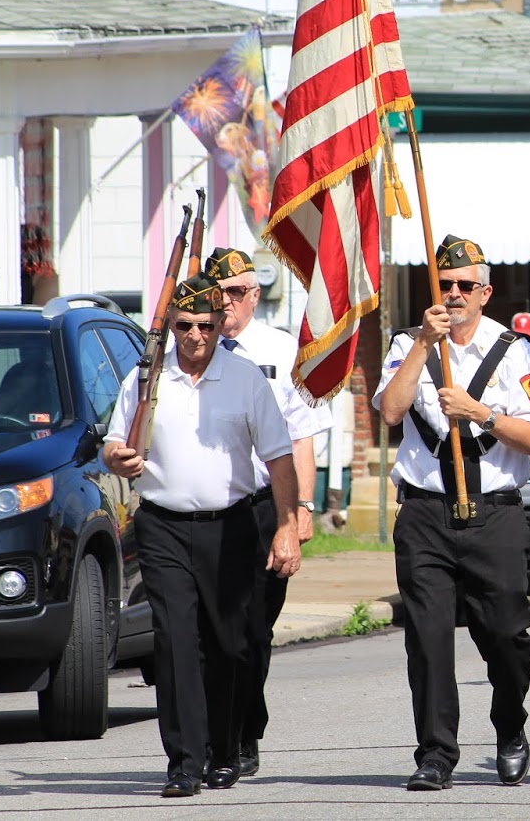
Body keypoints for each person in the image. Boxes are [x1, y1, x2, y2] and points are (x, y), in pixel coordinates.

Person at [101, 272, 300, 797]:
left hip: (230, 526)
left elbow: (279, 457)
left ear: (219, 326)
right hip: (163, 525)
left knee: (229, 644)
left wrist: (286, 527)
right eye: (185, 325)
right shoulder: (146, 378)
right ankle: (184, 762)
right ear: (171, 324)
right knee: (174, 644)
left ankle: (225, 748)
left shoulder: (244, 378)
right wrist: (117, 459)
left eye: (206, 326)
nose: (195, 336)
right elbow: (114, 443)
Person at [372, 235, 530, 790]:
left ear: (485, 292)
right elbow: (391, 410)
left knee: (505, 633)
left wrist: (480, 413)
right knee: (426, 638)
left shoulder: (513, 350)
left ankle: (510, 725)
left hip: (493, 516)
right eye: (444, 285)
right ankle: (435, 754)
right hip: (426, 513)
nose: (453, 294)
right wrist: (426, 345)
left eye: (464, 286)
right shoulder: (409, 344)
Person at [204, 247, 333, 778]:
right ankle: (220, 738)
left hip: (264, 508)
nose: (226, 303)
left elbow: (301, 436)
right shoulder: (191, 349)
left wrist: (301, 509)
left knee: (255, 631)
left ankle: (246, 728)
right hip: (208, 508)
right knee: (214, 631)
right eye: (218, 293)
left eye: (236, 292)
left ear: (255, 295)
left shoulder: (281, 350)